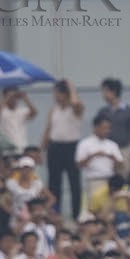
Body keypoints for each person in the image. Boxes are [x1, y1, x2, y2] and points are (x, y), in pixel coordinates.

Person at [41, 79, 85, 217]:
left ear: (65, 94)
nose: (55, 96)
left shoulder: (76, 108)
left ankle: (76, 214)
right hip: (55, 147)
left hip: (71, 147)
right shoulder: (53, 110)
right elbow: (48, 129)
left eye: (57, 93)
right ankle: (55, 213)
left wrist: (71, 88)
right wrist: (42, 148)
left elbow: (76, 104)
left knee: (74, 183)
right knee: (54, 183)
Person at [78, 115, 126, 205]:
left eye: (108, 128)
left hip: (110, 181)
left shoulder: (112, 145)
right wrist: (93, 155)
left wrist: (113, 158)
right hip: (94, 180)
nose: (107, 131)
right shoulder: (85, 144)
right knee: (94, 207)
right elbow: (79, 165)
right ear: (96, 127)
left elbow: (121, 165)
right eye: (104, 128)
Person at [95, 78, 130, 171]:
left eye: (106, 91)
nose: (104, 95)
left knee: (123, 177)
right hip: (106, 151)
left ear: (114, 91)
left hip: (123, 149)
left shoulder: (128, 111)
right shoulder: (102, 112)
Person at [0, 87, 38, 153]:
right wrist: (7, 97)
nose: (13, 99)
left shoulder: (21, 111)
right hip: (6, 148)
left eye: (15, 97)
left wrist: (25, 98)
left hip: (22, 146)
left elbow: (34, 113)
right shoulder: (2, 111)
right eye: (11, 97)